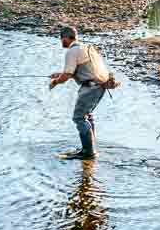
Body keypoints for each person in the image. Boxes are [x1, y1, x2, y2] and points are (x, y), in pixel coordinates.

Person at [47, 25, 119, 160]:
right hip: (100, 86)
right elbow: (83, 70)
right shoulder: (86, 47)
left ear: (65, 38)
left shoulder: (71, 51)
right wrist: (59, 74)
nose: (61, 41)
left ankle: (88, 152)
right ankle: (90, 148)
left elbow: (67, 75)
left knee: (79, 118)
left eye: (61, 39)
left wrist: (55, 82)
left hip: (90, 88)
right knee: (87, 115)